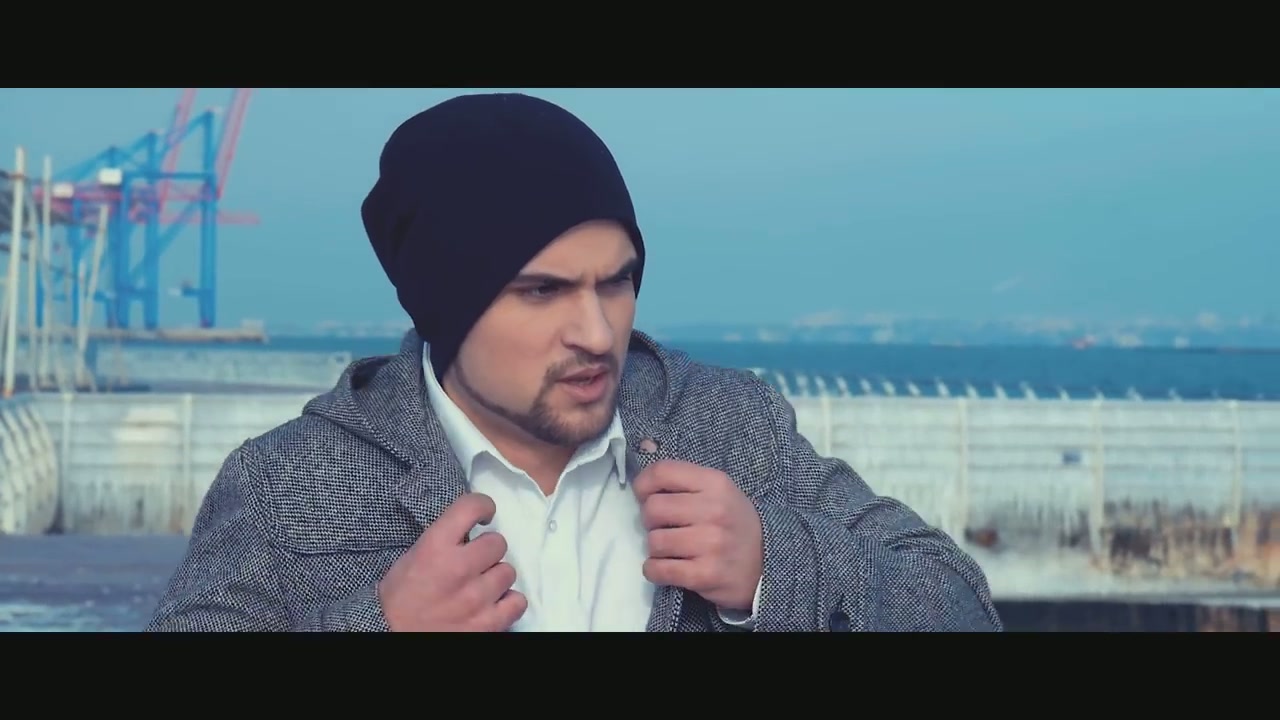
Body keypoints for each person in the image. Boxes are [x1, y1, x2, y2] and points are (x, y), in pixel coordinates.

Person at [145, 92, 1002, 632]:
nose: (596, 331)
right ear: (445, 305)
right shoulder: (288, 484)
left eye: (616, 281)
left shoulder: (731, 428)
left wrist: (774, 563)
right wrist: (380, 628)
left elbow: (960, 608)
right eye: (542, 291)